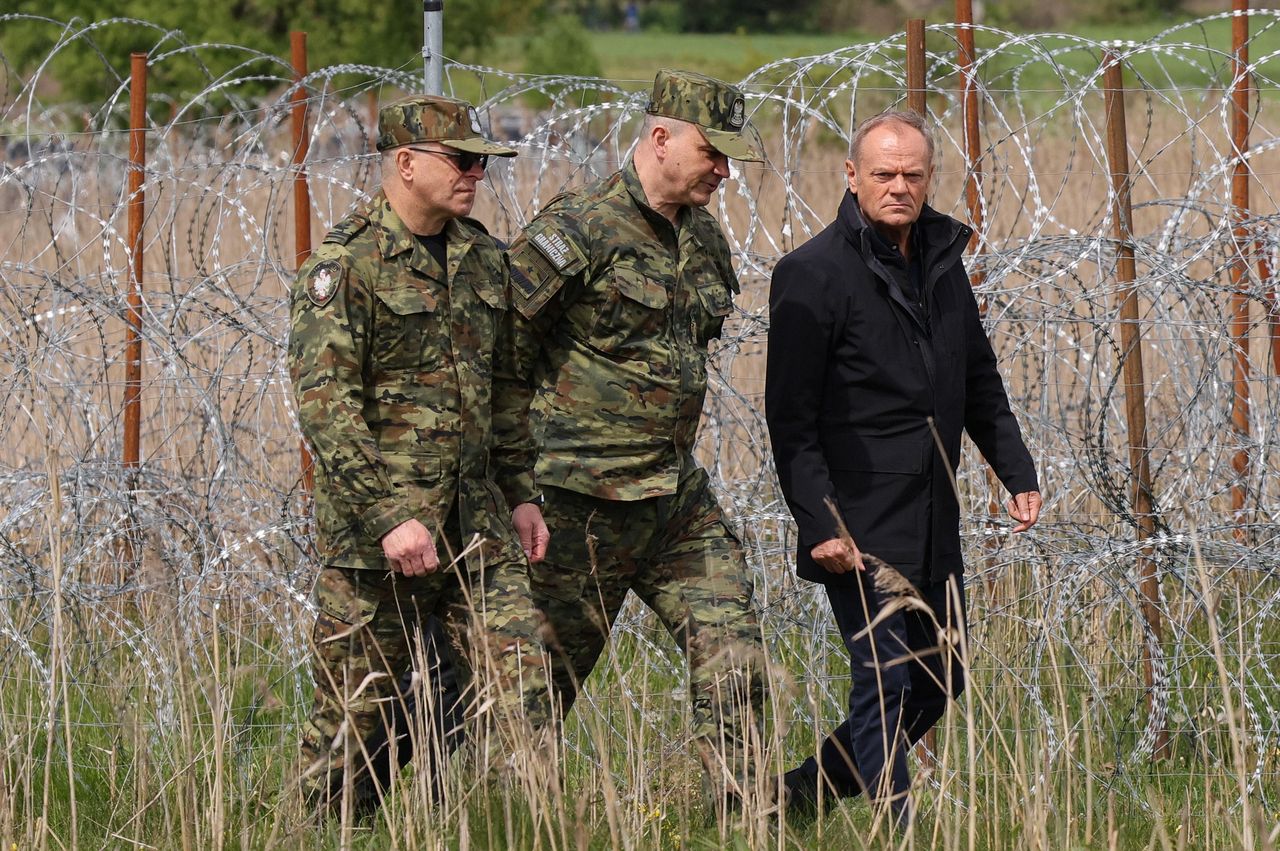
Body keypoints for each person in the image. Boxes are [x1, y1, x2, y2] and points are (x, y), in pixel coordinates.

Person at [765, 110, 1042, 826]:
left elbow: (977, 379)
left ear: (928, 179)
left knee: (938, 677)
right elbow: (790, 419)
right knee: (883, 680)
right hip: (856, 524)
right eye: (883, 173)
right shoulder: (811, 275)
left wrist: (1016, 469)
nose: (898, 186)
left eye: (912, 174)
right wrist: (818, 522)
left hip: (933, 518)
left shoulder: (944, 263)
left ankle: (800, 795)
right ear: (851, 176)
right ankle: (899, 828)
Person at [504, 69, 767, 816]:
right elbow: (503, 354)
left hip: (674, 500)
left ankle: (739, 814)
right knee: (538, 691)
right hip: (580, 503)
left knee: (734, 652)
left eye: (730, 158)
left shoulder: (706, 240)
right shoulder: (577, 229)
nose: (724, 170)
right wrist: (515, 485)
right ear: (660, 137)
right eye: (712, 153)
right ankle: (509, 820)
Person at [289, 94, 551, 816]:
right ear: (405, 163)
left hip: (477, 530)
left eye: (481, 162)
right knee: (350, 720)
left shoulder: (481, 259)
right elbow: (327, 408)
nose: (476, 174)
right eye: (460, 160)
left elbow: (504, 389)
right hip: (381, 541)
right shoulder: (345, 267)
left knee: (524, 685)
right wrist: (387, 516)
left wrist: (522, 491)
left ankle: (510, 825)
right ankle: (320, 828)